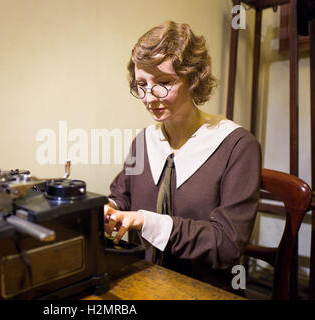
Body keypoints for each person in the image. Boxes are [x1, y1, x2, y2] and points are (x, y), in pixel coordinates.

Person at [104, 21, 261, 291]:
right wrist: (108, 209)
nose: (150, 97)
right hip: (145, 284)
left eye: (163, 82)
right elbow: (121, 196)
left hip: (205, 290)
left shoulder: (237, 146)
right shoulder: (143, 142)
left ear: (194, 78)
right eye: (141, 84)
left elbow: (227, 245)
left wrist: (145, 220)